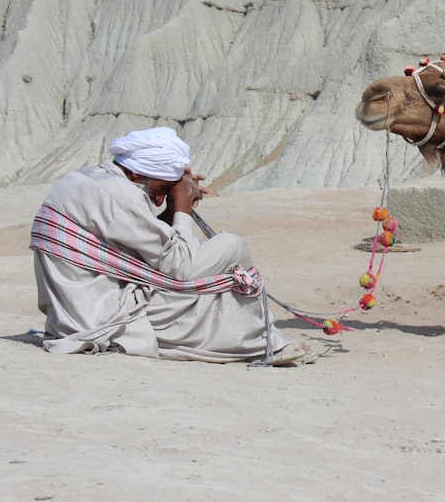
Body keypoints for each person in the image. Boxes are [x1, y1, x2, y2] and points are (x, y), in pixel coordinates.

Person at [30, 126, 309, 365]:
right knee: (230, 246)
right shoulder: (122, 195)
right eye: (163, 188)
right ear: (139, 175)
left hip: (73, 312)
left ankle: (258, 336)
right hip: (103, 315)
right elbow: (181, 268)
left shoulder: (89, 178)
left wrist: (175, 206)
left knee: (205, 263)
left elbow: (138, 243)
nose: (161, 198)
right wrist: (183, 207)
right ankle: (265, 340)